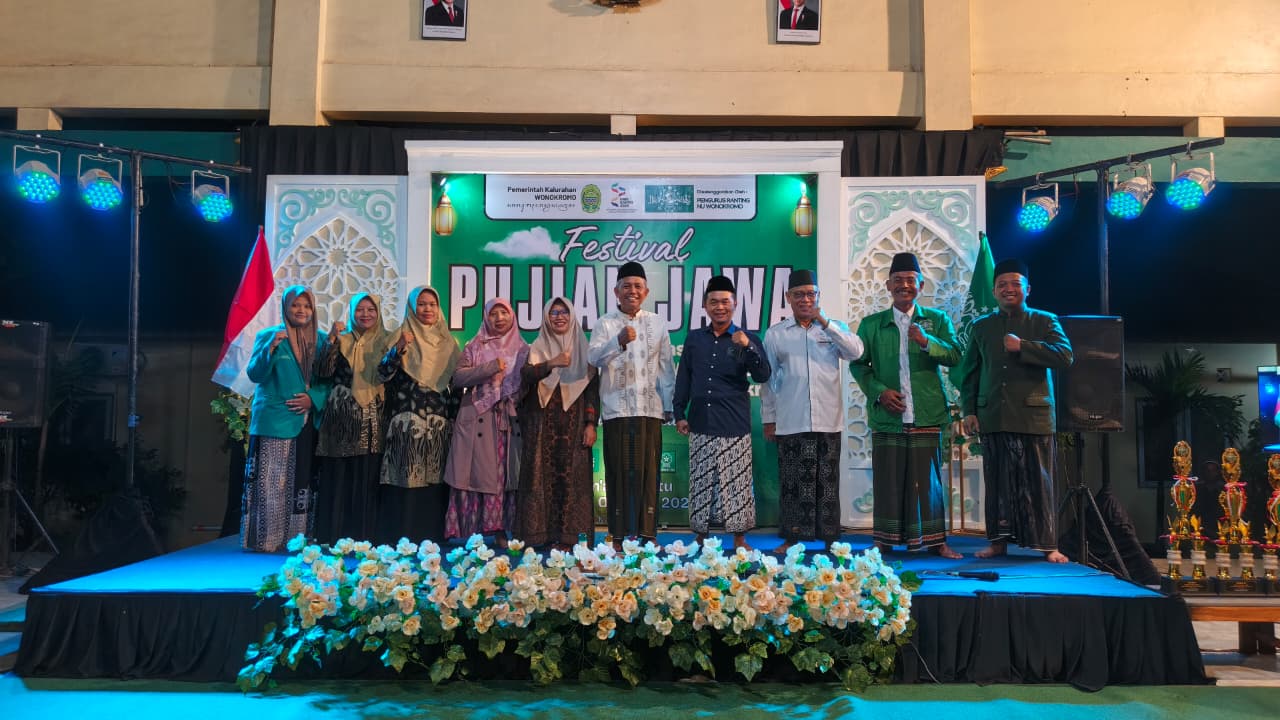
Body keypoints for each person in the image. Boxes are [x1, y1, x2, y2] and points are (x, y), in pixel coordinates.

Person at [955, 259, 1073, 563]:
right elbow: (970, 372)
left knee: (1040, 483)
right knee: (997, 484)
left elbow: (1065, 356)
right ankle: (997, 543)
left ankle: (1048, 546)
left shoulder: (1045, 321)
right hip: (993, 415)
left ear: (1027, 289)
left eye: (1015, 284)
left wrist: (1025, 347)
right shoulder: (981, 326)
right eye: (1002, 285)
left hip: (1034, 417)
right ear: (994, 291)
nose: (1009, 289)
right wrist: (970, 410)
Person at [849, 253, 963, 559]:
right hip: (888, 415)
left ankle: (937, 542)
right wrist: (880, 392)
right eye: (897, 280)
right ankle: (883, 541)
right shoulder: (872, 324)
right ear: (888, 286)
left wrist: (927, 342)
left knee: (928, 482)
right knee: (888, 480)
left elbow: (955, 356)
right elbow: (858, 365)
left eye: (910, 280)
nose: (904, 285)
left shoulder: (937, 320)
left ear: (921, 285)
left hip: (927, 412)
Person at [761, 269, 863, 556]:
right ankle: (792, 538)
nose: (805, 300)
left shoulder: (834, 328)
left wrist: (825, 323)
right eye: (799, 295)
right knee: (792, 482)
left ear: (818, 296)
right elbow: (768, 380)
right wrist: (769, 419)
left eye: (810, 294)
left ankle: (831, 540)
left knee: (827, 483)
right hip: (791, 420)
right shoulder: (776, 334)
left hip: (828, 420)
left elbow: (856, 352)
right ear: (788, 298)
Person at [673, 275, 771, 550]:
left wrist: (748, 347)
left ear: (735, 304)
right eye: (714, 302)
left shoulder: (748, 338)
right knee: (701, 482)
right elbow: (684, 378)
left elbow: (763, 375)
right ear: (705, 306)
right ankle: (700, 536)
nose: (720, 307)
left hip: (733, 422)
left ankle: (739, 538)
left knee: (736, 484)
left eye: (725, 302)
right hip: (701, 420)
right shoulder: (695, 339)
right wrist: (679, 412)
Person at [588, 262, 676, 547]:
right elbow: (593, 359)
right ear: (616, 291)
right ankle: (618, 536)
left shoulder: (657, 323)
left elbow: (666, 368)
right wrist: (617, 341)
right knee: (617, 474)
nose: (632, 291)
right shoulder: (605, 323)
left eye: (638, 286)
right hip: (617, 410)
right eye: (626, 286)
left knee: (649, 476)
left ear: (646, 292)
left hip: (649, 410)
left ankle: (648, 535)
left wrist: (669, 406)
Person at [242, 285, 330, 552]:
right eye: (295, 305)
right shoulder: (270, 336)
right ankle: (267, 539)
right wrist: (269, 349)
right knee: (272, 481)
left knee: (302, 481)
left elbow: (328, 381)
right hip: (274, 419)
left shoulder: (321, 340)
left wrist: (313, 398)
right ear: (286, 308)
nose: (301, 310)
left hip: (306, 420)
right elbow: (255, 374)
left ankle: (297, 539)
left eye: (306, 306)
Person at [377, 286, 460, 544]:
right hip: (406, 420)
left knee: (434, 479)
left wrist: (455, 419)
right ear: (412, 307)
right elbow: (382, 374)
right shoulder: (399, 336)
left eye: (432, 304)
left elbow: (456, 385)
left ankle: (432, 537)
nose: (427, 309)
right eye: (421, 304)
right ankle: (401, 536)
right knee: (405, 477)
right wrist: (399, 349)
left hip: (438, 422)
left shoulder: (449, 342)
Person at [514, 297, 600, 550]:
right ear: (546, 317)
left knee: (573, 479)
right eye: (553, 312)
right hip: (542, 424)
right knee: (538, 478)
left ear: (572, 316)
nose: (559, 316)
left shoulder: (584, 349)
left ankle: (570, 539)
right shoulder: (538, 346)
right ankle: (538, 536)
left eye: (564, 312)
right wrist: (551, 363)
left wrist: (591, 423)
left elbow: (592, 390)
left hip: (575, 424)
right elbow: (526, 376)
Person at [443, 297, 529, 548]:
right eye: (493, 313)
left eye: (504, 313)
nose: (499, 318)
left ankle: (501, 529)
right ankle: (473, 531)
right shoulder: (475, 345)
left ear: (512, 316)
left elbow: (528, 385)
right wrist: (490, 368)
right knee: (476, 476)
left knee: (503, 477)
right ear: (486, 317)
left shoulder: (523, 349)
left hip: (508, 421)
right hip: (478, 418)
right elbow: (458, 378)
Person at [313, 293, 398, 543]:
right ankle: (334, 536)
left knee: (368, 476)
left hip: (374, 417)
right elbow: (323, 371)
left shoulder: (387, 340)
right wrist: (331, 340)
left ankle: (364, 538)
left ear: (378, 312)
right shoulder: (341, 339)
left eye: (371, 309)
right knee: (339, 476)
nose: (365, 314)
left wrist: (396, 351)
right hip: (341, 418)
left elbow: (386, 374)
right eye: (360, 309)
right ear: (351, 312)